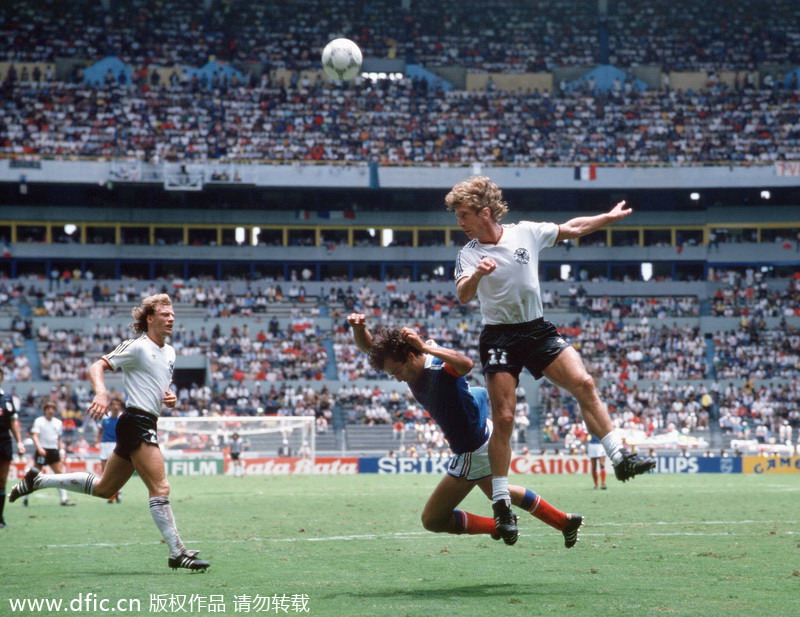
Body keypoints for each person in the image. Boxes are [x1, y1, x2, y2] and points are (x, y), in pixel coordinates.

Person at [446, 176, 655, 544]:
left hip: (536, 330)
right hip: (499, 336)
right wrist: (478, 274)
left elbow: (572, 228)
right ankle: (500, 502)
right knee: (504, 418)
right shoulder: (469, 253)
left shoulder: (525, 232)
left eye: (464, 214)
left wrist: (607, 218)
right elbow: (463, 294)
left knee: (584, 383)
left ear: (484, 212)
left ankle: (620, 456)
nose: (459, 222)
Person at [10, 294, 209, 571]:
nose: (171, 318)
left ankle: (38, 481)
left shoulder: (170, 352)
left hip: (145, 421)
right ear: (150, 318)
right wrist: (101, 392)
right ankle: (178, 553)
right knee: (160, 488)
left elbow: (156, 384)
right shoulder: (138, 346)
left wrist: (169, 397)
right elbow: (97, 365)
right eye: (165, 314)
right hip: (136, 421)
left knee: (105, 488)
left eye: (172, 314)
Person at [348, 313, 582, 548]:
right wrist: (359, 329)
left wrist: (426, 348)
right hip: (480, 435)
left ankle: (498, 526)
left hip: (471, 448)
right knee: (500, 491)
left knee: (433, 519)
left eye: (397, 372)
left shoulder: (438, 367)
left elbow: (466, 364)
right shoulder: (408, 362)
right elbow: (370, 348)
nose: (398, 379)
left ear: (410, 356)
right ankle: (564, 521)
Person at [29, 401, 76, 506]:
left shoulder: (58, 422)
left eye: (52, 408)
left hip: (53, 451)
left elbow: (59, 438)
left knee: (60, 475)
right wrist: (39, 448)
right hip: (42, 450)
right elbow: (35, 436)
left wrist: (61, 450)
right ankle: (25, 497)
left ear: (55, 410)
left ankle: (64, 499)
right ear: (45, 410)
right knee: (34, 474)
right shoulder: (39, 421)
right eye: (48, 408)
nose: (50, 410)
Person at [1, 367, 25, 527]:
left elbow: (13, 422)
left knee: (2, 480)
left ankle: (0, 518)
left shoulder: (7, 398)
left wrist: (20, 441)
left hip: (4, 442)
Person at [96, 397, 122, 503]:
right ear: (110, 406)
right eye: (114, 404)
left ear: (120, 406)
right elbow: (100, 431)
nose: (116, 406)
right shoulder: (104, 417)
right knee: (104, 470)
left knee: (116, 471)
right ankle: (114, 492)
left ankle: (115, 492)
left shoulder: (122, 418)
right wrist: (97, 442)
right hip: (104, 445)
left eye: (118, 404)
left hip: (117, 445)